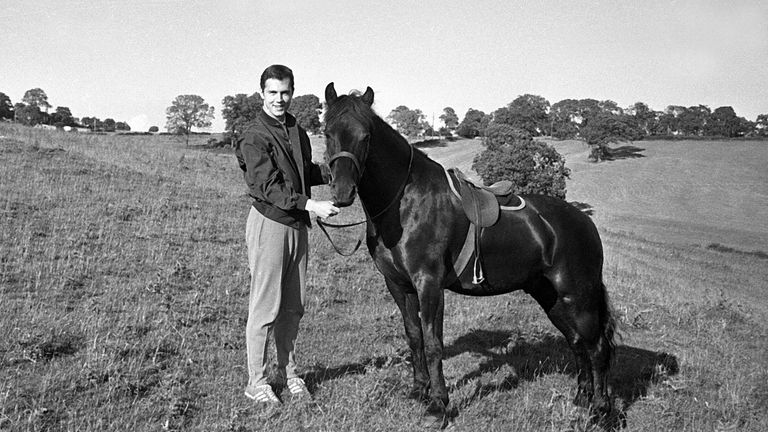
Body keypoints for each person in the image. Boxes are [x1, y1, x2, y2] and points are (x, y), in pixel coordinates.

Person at [236, 64, 339, 404]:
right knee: (266, 306)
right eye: (273, 93)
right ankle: (257, 381)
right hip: (271, 222)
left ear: (292, 92)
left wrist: (338, 172)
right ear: (261, 94)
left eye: (285, 93)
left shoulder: (295, 128)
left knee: (293, 306)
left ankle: (290, 372)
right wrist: (312, 205)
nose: (280, 99)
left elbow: (303, 171)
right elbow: (269, 188)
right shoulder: (253, 135)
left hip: (297, 224)